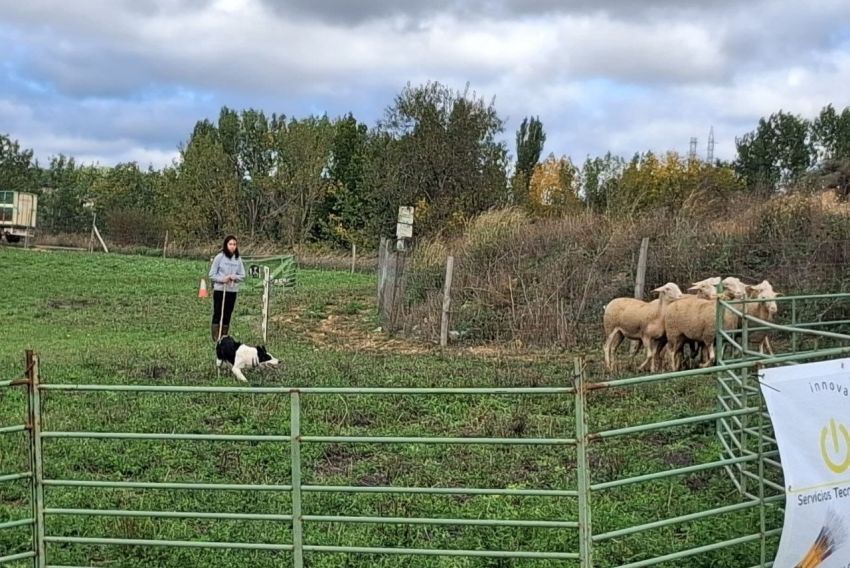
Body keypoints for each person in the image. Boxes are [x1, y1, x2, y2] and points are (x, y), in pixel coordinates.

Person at [208, 235, 246, 341]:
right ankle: (216, 336)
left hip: (232, 290)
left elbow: (242, 275)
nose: (232, 246)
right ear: (226, 245)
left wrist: (235, 277)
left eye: (234, 244)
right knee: (218, 311)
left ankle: (224, 335)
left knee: (228, 312)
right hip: (220, 289)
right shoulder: (219, 257)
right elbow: (212, 274)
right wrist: (222, 279)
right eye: (230, 244)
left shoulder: (238, 259)